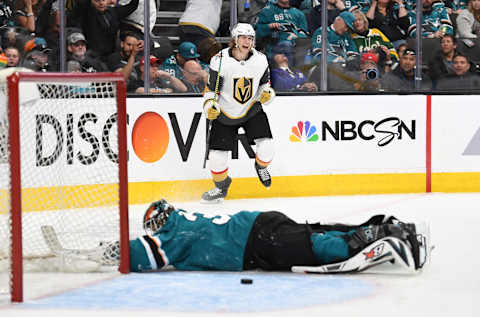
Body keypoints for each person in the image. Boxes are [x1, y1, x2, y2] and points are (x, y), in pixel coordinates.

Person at [69, 198, 429, 273]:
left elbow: (143, 252)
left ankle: (370, 240)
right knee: (313, 230)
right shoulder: (187, 219)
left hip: (253, 242)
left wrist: (107, 252)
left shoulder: (173, 232)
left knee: (311, 246)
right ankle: (384, 227)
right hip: (258, 222)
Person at [201, 23, 276, 203]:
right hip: (225, 112)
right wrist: (209, 105)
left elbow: (265, 86)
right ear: (234, 40)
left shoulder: (261, 60)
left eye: (250, 38)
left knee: (267, 147)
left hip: (251, 110)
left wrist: (267, 94)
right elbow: (212, 90)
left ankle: (260, 166)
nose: (247, 41)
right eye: (243, 37)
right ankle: (221, 188)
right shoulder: (219, 61)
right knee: (216, 159)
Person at [69, 0, 139, 59]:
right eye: (97, 0)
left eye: (103, 0)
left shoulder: (113, 11)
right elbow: (81, 3)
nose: (101, 3)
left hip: (111, 55)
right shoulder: (87, 12)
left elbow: (132, 6)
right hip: (93, 56)